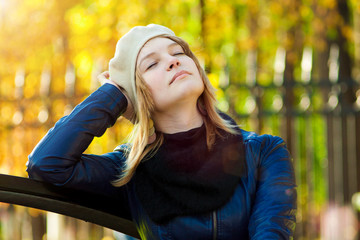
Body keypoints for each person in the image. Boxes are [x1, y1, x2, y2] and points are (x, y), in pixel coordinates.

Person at [27, 24, 297, 239]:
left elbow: (271, 232)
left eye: (178, 52)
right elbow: (46, 164)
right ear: (136, 94)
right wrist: (113, 96)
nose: (173, 61)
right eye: (151, 64)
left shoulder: (264, 152)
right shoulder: (127, 171)